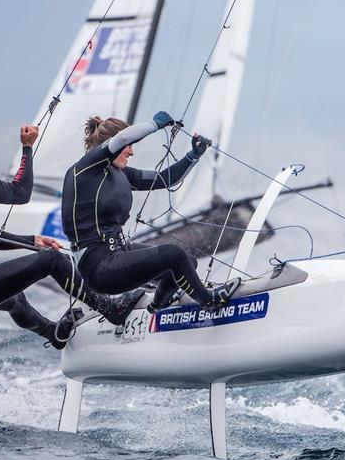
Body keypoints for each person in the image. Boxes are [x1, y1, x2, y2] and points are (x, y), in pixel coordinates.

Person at [0, 125, 140, 349]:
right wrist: (27, 148)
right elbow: (20, 193)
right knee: (53, 260)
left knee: (15, 300)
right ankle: (111, 309)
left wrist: (30, 241)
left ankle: (54, 334)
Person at [61, 111, 240, 315]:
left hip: (118, 252)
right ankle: (209, 301)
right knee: (174, 254)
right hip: (98, 267)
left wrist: (193, 156)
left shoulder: (120, 173)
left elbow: (165, 179)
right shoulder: (84, 170)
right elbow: (123, 137)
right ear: (113, 145)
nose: (131, 152)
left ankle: (158, 304)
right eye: (128, 146)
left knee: (187, 262)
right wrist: (154, 124)